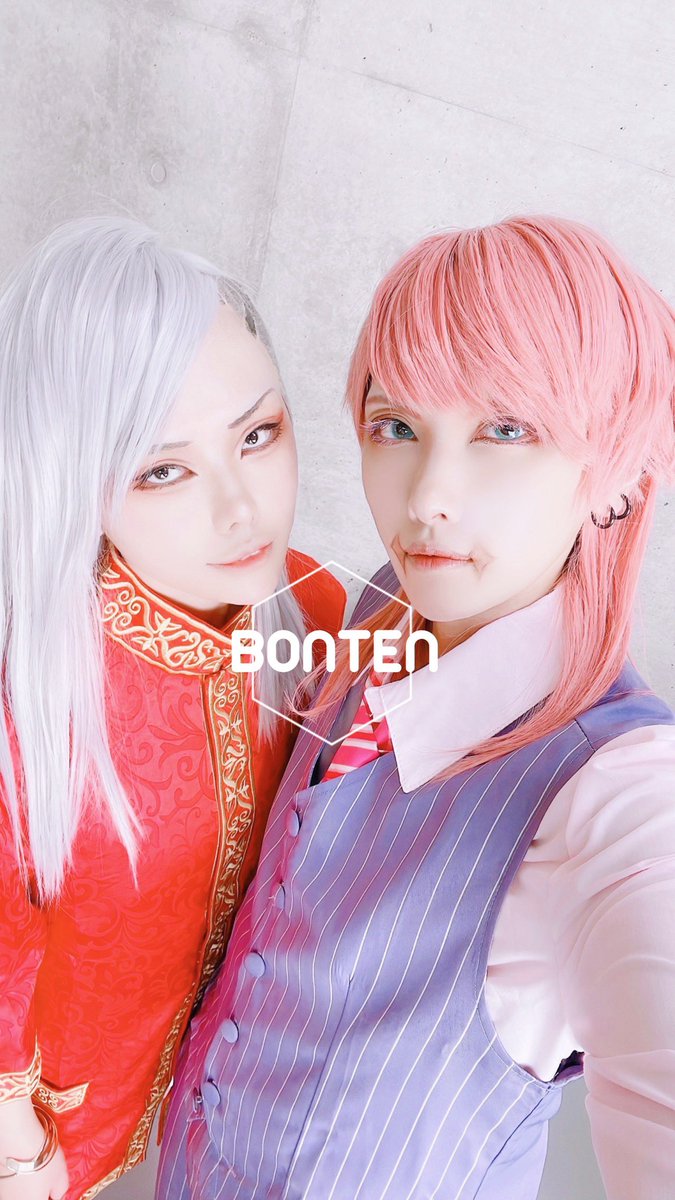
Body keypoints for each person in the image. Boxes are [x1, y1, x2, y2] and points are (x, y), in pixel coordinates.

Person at [158, 215, 675, 1200]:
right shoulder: (389, 600)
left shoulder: (617, 796)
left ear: (614, 472)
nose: (427, 496)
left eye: (504, 430)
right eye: (396, 426)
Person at [0, 216, 345, 1200]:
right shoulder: (34, 693)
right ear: (76, 479)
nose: (241, 508)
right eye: (163, 469)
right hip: (53, 1136)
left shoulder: (313, 608)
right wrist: (19, 1152)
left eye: (258, 435)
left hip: (211, 1107)